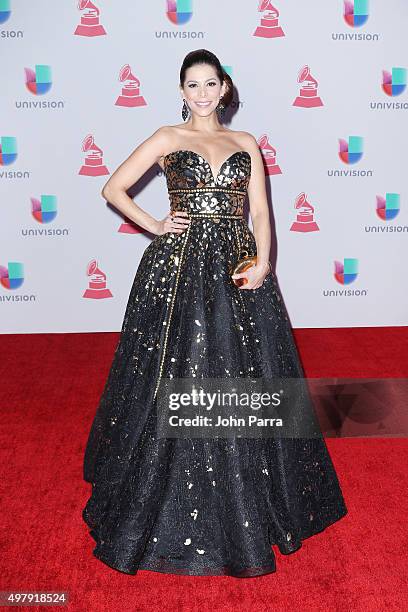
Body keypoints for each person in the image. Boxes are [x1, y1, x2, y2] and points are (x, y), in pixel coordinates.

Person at [82, 48, 347, 577]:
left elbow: (262, 212)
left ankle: (256, 486)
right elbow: (113, 188)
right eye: (192, 85)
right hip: (178, 269)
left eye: (211, 84)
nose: (202, 94)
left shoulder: (245, 142)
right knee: (178, 366)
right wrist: (155, 225)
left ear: (224, 88)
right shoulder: (166, 137)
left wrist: (264, 261)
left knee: (246, 370)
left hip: (235, 263)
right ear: (181, 91)